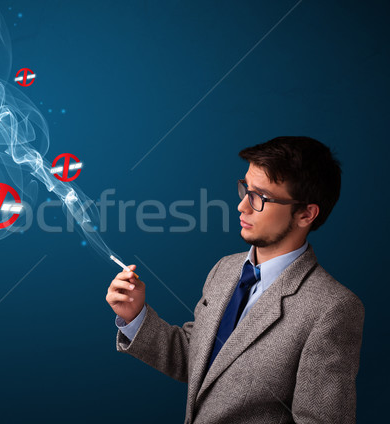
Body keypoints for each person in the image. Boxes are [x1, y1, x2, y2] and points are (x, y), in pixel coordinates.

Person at [106, 136, 365, 424]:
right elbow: (200, 361)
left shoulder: (332, 309)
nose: (242, 206)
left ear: (306, 214)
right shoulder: (225, 269)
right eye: (245, 189)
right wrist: (135, 317)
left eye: (260, 198)